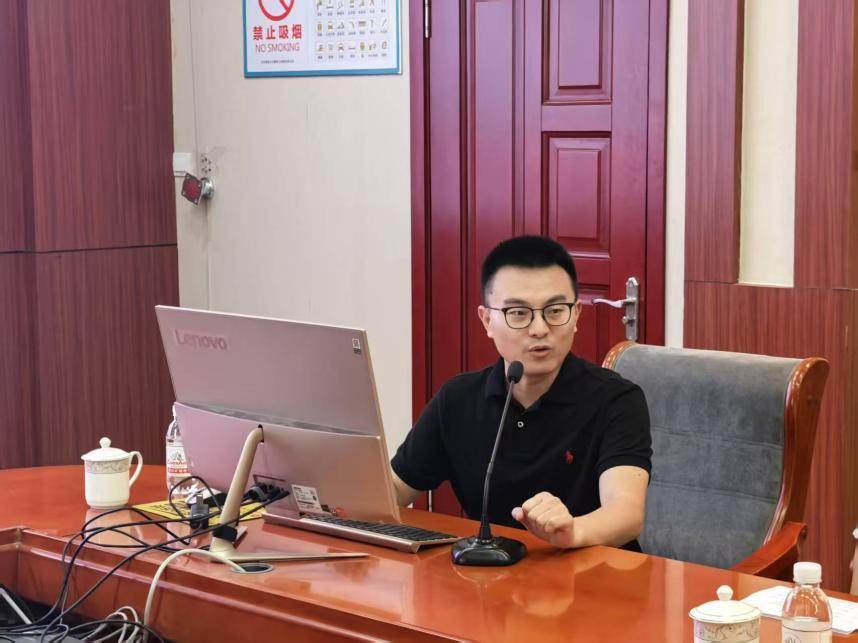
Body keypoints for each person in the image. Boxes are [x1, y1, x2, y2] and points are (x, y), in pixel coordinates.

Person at [390, 236, 652, 551]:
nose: (539, 329)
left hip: (593, 572)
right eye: (518, 313)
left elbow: (625, 513)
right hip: (489, 575)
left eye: (555, 310)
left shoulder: (616, 399)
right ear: (487, 320)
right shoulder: (457, 399)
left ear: (576, 315)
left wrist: (573, 532)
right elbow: (396, 489)